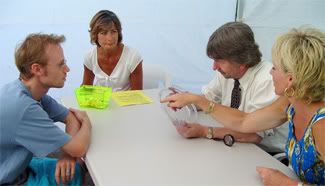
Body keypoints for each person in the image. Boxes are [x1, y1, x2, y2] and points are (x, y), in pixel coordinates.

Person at [162, 26, 325, 185]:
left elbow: (251, 131)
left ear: (290, 80)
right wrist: (196, 101)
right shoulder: (290, 102)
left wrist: (286, 184)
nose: (270, 72)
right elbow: (245, 121)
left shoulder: (321, 125)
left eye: (275, 68)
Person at [171, 22, 288, 154]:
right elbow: (209, 99)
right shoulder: (228, 72)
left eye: (219, 60)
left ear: (242, 62)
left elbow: (253, 134)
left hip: (267, 155)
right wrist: (185, 100)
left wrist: (205, 131)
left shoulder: (268, 80)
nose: (214, 67)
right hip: (239, 148)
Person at [0, 33, 92, 185]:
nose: (67, 69)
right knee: (82, 174)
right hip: (9, 180)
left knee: (76, 168)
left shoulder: (30, 92)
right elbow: (78, 148)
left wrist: (66, 155)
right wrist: (87, 122)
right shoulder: (25, 108)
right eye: (60, 64)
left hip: (20, 168)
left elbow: (70, 117)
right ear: (37, 69)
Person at [82, 10, 143, 91]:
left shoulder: (133, 56)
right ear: (95, 35)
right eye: (103, 33)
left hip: (126, 103)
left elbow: (137, 95)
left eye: (113, 32)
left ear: (119, 33)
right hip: (100, 103)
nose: (109, 38)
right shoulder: (90, 56)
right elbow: (86, 89)